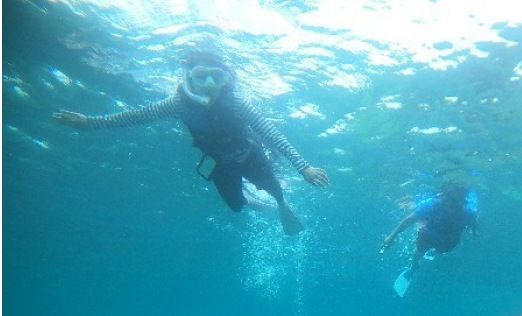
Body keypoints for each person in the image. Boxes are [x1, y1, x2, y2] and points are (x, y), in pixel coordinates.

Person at [53, 50, 328, 236]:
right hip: (220, 164)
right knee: (236, 207)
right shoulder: (178, 104)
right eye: (201, 76)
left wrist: (303, 168)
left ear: (227, 80)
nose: (210, 84)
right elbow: (135, 116)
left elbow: (269, 132)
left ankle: (281, 207)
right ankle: (262, 205)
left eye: (217, 77)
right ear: (189, 78)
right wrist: (90, 123)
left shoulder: (235, 102)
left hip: (250, 155)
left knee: (276, 191)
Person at [380, 182, 478, 296]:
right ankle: (413, 267)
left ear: (462, 200)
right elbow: (408, 220)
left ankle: (424, 258)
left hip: (448, 241)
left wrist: (473, 232)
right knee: (421, 242)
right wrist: (392, 236)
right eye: (450, 200)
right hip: (431, 235)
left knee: (439, 248)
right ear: (444, 196)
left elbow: (474, 224)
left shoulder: (467, 211)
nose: (452, 204)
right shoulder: (432, 204)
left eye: (456, 201)